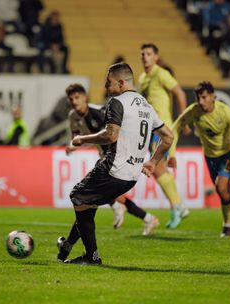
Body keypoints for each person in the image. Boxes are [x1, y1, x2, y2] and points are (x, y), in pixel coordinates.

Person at [57, 62, 173, 265]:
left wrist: (83, 139)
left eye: (108, 82)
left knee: (77, 196)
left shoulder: (117, 102)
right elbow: (168, 137)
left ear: (121, 83)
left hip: (114, 168)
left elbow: (111, 135)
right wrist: (153, 161)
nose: (105, 86)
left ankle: (92, 257)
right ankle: (67, 247)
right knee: (87, 204)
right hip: (132, 176)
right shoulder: (146, 106)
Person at [64, 83, 160, 235]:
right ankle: (146, 218)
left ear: (85, 97)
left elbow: (114, 133)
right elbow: (75, 138)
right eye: (71, 99)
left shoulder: (99, 111)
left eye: (77, 97)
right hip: (105, 157)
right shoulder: (73, 117)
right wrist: (72, 146)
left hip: (117, 157)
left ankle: (123, 210)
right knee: (109, 193)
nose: (74, 101)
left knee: (97, 190)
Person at [170, 81, 230, 237]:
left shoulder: (225, 112)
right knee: (225, 194)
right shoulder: (194, 111)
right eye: (199, 98)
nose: (201, 101)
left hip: (229, 153)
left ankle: (227, 226)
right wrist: (171, 154)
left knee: (221, 187)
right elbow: (175, 128)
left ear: (213, 97)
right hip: (210, 156)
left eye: (204, 97)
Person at [138, 43, 190, 229]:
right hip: (152, 130)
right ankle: (176, 208)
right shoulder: (143, 77)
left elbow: (180, 93)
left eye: (149, 54)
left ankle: (179, 206)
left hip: (163, 128)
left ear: (156, 57)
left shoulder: (161, 73)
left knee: (158, 169)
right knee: (161, 170)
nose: (145, 57)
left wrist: (183, 119)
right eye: (142, 54)